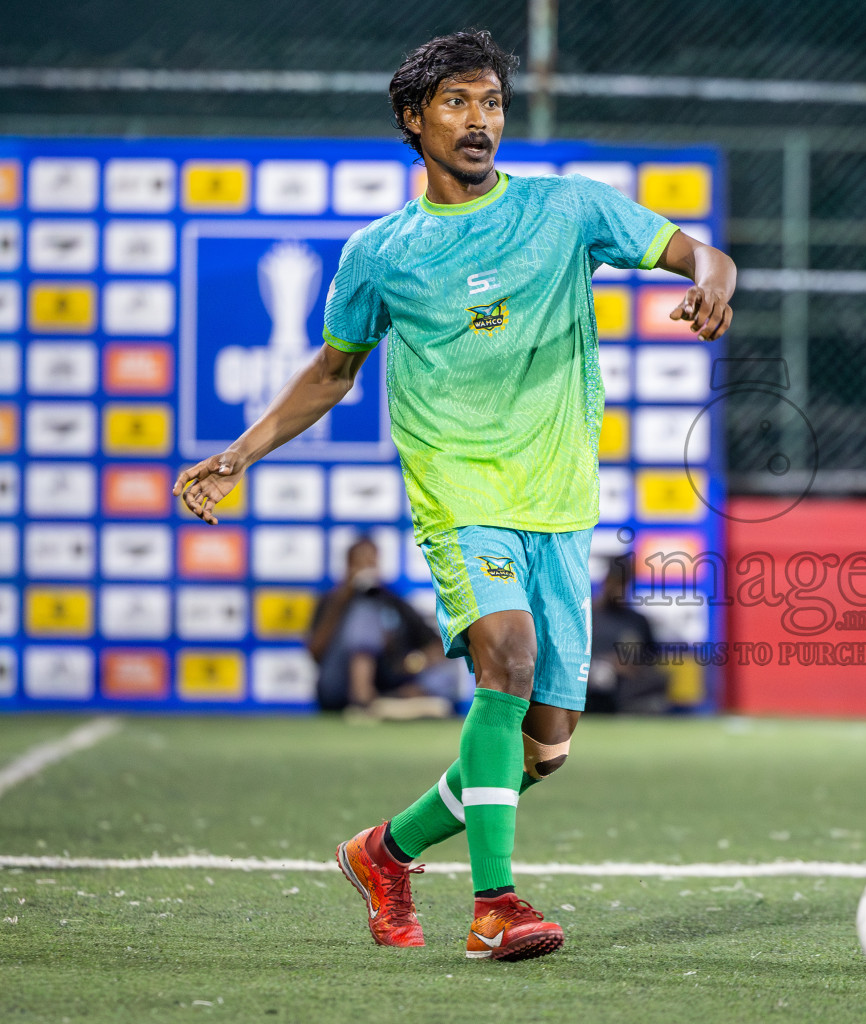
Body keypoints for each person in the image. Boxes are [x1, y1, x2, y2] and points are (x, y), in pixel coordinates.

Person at [173, 30, 735, 964]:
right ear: (413, 119)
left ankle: (383, 851)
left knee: (542, 749)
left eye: (493, 104)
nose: (481, 122)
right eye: (458, 103)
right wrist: (239, 452)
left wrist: (715, 287)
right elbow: (329, 372)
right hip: (458, 486)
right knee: (505, 660)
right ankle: (496, 905)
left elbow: (701, 257)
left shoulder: (567, 209)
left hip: (557, 501)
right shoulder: (380, 253)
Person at [307, 536, 458, 717]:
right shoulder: (332, 601)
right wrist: (347, 596)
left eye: (370, 562)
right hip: (339, 684)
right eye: (359, 563)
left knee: (446, 667)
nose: (365, 569)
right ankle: (363, 699)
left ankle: (387, 703)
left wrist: (416, 661)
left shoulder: (391, 600)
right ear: (348, 567)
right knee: (364, 610)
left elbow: (436, 643)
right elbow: (315, 652)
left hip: (387, 681)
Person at [587, 557, 669, 714]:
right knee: (601, 674)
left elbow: (651, 659)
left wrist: (630, 665)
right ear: (606, 581)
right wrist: (607, 662)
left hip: (626, 686)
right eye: (615, 582)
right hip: (591, 681)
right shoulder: (589, 615)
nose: (618, 589)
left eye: (623, 583)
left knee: (659, 680)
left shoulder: (636, 620)